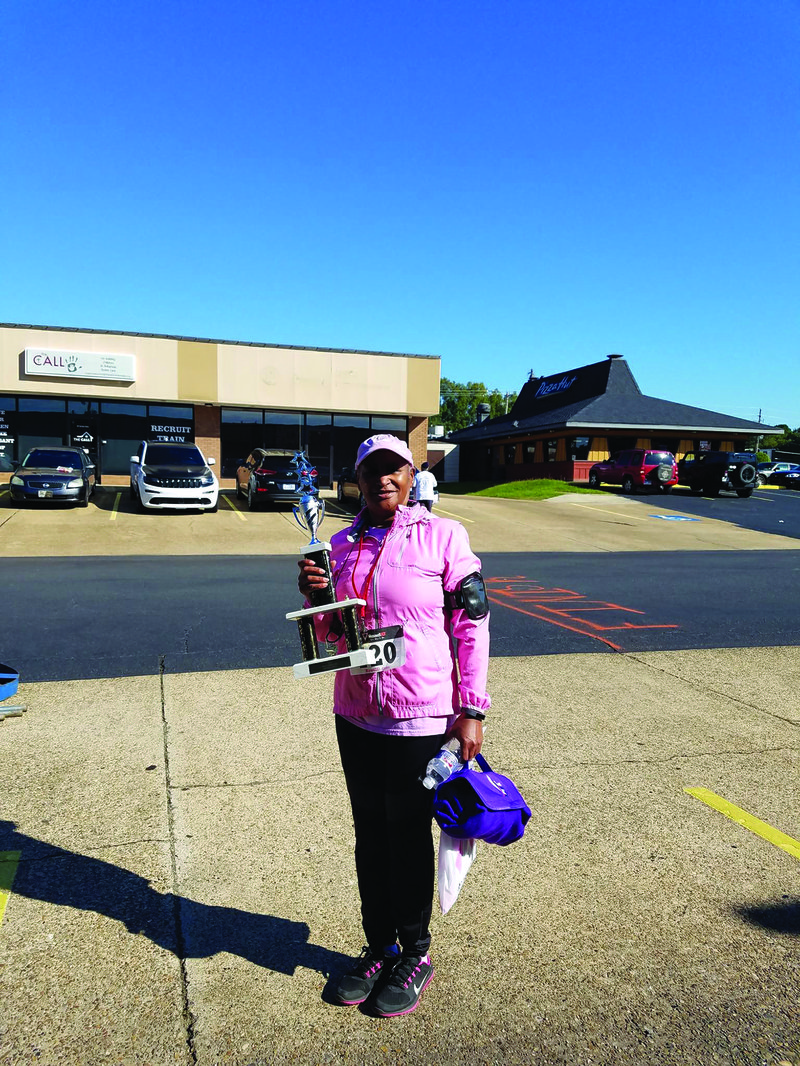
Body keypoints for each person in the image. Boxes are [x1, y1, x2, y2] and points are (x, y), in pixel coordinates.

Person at [298, 433, 490, 1017]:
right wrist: (315, 598)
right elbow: (331, 637)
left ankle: (415, 950)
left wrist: (471, 709)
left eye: (395, 470)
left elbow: (472, 626)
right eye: (372, 470)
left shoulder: (444, 537)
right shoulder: (337, 544)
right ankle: (378, 944)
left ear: (412, 478)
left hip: (422, 714)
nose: (384, 479)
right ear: (357, 480)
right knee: (369, 832)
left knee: (406, 834)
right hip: (356, 713)